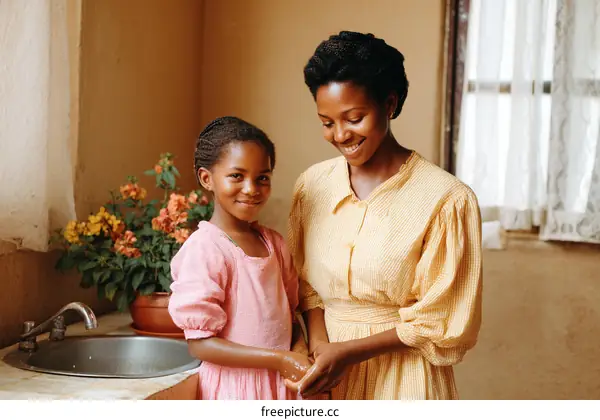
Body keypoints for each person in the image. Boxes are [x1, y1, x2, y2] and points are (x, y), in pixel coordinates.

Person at [285, 31, 483, 400]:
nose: (341, 134)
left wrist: (347, 353)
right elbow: (305, 287)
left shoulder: (447, 199)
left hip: (404, 380)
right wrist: (319, 348)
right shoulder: (311, 185)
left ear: (389, 104)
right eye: (327, 122)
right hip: (325, 377)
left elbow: (444, 318)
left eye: (354, 118)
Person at [168, 116, 311, 400]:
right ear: (207, 179)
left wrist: (299, 350)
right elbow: (201, 344)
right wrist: (278, 360)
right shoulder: (206, 249)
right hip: (235, 391)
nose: (251, 189)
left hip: (281, 387)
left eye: (262, 178)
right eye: (237, 176)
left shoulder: (275, 244)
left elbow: (289, 316)